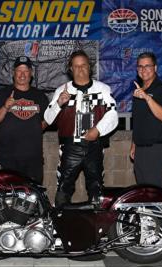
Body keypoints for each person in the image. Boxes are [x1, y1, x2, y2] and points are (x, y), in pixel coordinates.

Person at [44, 50, 118, 206]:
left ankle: (97, 225)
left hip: (95, 146)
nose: (80, 69)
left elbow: (113, 113)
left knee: (97, 188)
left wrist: (97, 130)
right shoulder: (62, 90)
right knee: (64, 188)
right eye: (76, 66)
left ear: (89, 67)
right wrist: (59, 103)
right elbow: (47, 119)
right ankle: (62, 223)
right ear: (70, 69)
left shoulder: (102, 89)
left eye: (83, 65)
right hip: (70, 147)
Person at [0, 56, 49, 183]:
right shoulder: (1, 94)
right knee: (6, 198)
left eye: (26, 71)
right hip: (7, 159)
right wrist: (5, 107)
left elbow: (45, 122)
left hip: (33, 160)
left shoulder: (40, 96)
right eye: (19, 70)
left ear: (31, 74)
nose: (22, 74)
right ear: (13, 73)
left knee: (32, 197)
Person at [130, 52, 162, 188]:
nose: (143, 70)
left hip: (156, 148)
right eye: (140, 66)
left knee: (154, 190)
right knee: (142, 190)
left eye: (147, 66)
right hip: (140, 149)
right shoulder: (138, 91)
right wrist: (134, 143)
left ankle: (160, 210)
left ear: (155, 68)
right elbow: (138, 121)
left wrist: (147, 97)